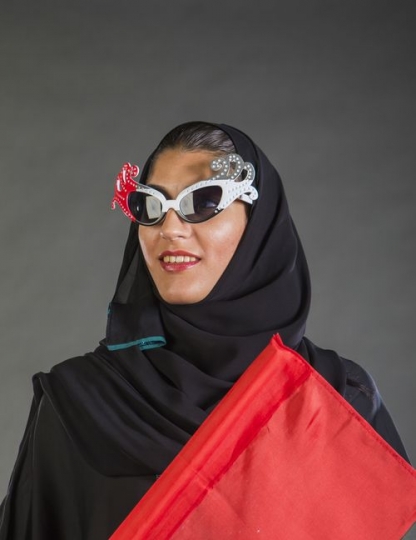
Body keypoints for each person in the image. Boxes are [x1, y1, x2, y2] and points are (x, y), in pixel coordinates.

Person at [0, 122, 409, 539]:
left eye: (204, 202)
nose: (170, 229)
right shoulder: (79, 405)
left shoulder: (337, 401)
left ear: (259, 228)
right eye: (150, 206)